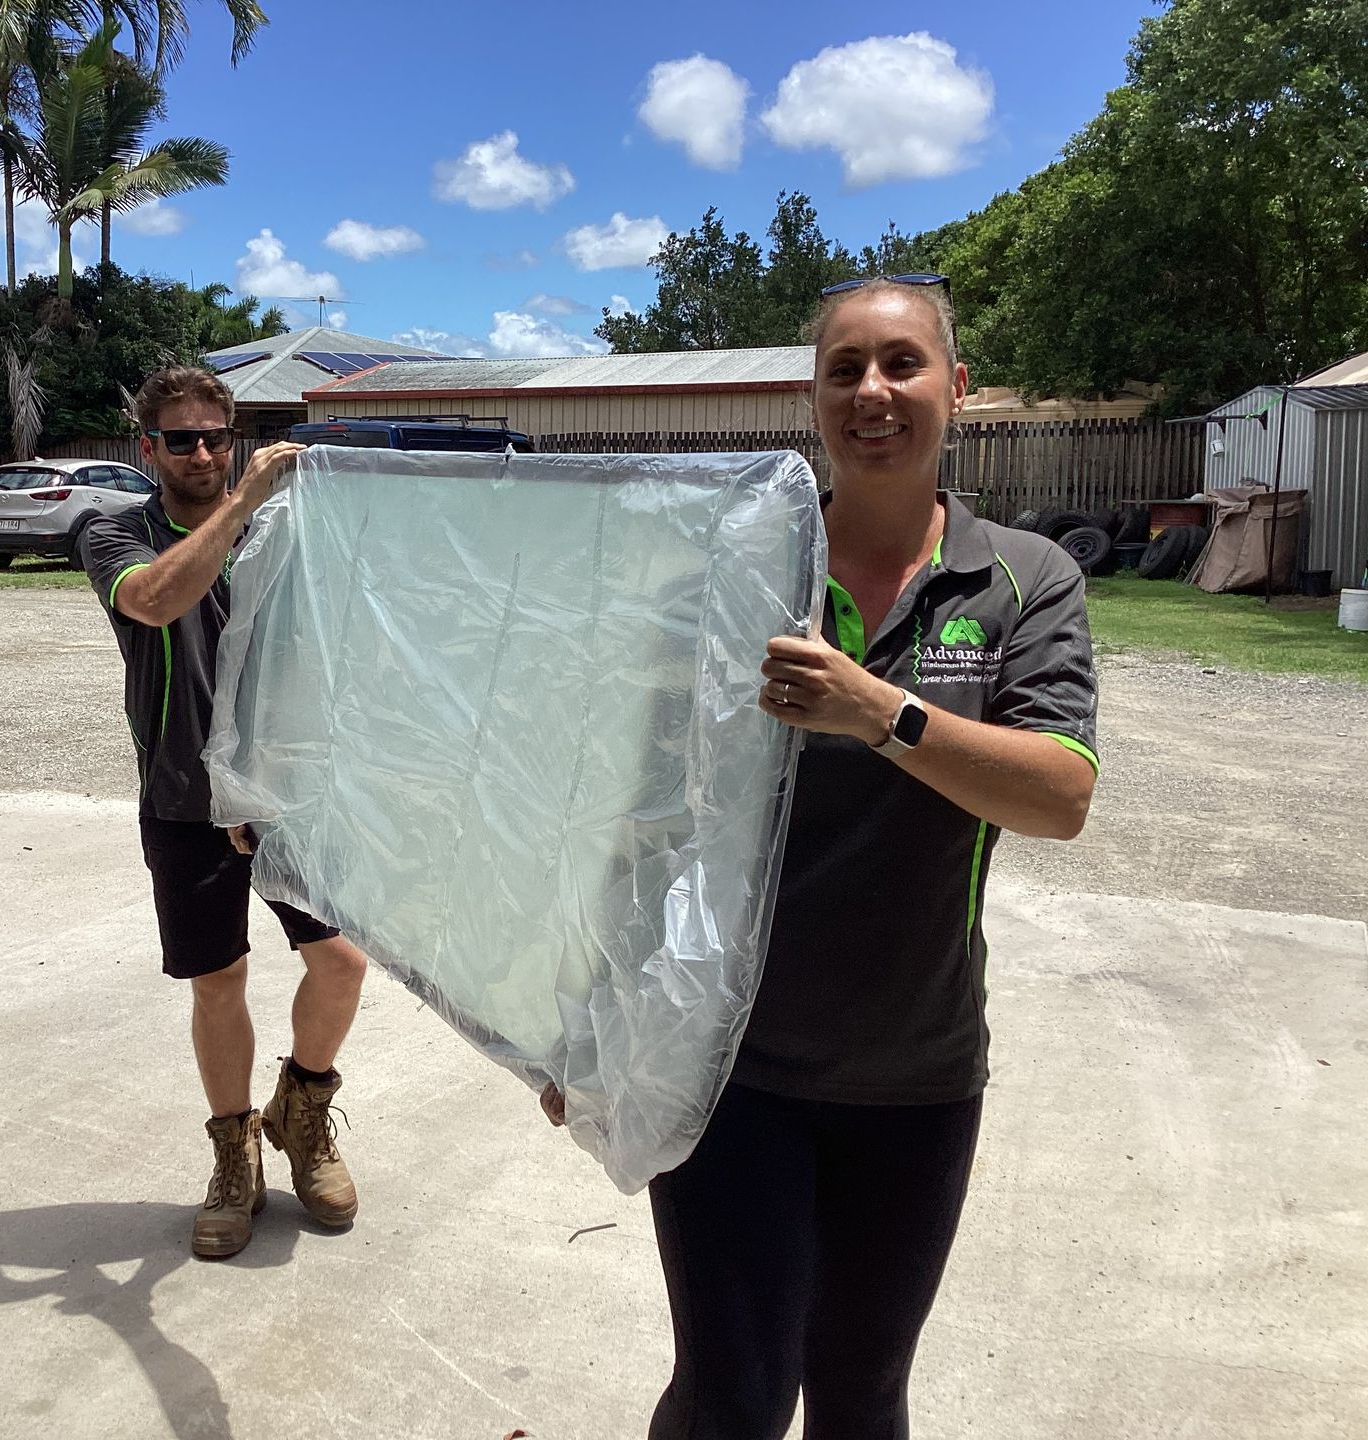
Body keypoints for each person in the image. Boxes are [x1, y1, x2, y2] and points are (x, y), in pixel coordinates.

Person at [547, 274, 1099, 1438]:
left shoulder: (1019, 582)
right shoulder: (736, 580)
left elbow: (1059, 796)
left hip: (918, 1073)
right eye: (844, 368)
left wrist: (880, 712)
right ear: (814, 400)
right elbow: (649, 818)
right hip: (731, 1068)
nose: (873, 391)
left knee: (859, 1397)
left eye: (900, 363)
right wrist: (589, 1023)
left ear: (957, 386)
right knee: (731, 1399)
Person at [81, 366, 370, 1261]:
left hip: (284, 795)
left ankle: (302, 1109)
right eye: (181, 439)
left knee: (343, 963)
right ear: (148, 448)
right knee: (220, 982)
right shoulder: (114, 530)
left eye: (216, 436)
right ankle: (233, 1151)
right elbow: (158, 600)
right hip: (184, 800)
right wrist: (242, 503)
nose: (202, 452)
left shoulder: (285, 532)